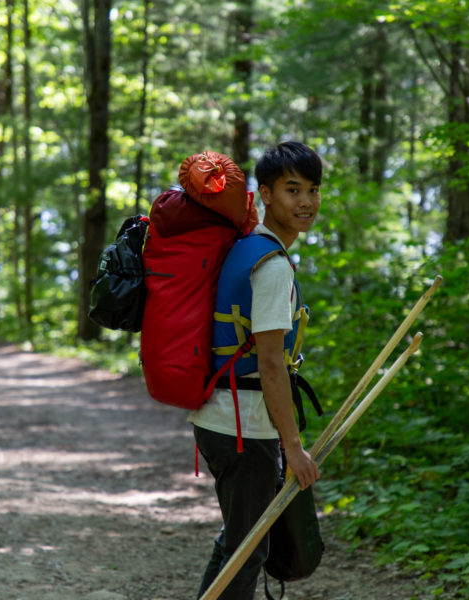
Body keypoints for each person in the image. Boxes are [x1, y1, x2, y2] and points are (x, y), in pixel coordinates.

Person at [188, 141, 323, 599]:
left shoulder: (245, 249)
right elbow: (270, 365)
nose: (305, 202)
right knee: (248, 551)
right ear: (265, 194)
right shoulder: (271, 266)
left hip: (221, 417)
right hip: (244, 427)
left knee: (240, 542)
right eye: (291, 190)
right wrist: (294, 447)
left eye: (312, 190)